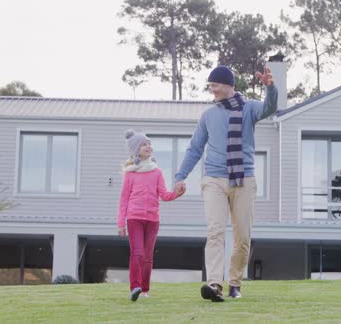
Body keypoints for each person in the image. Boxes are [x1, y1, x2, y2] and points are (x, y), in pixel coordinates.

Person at [175, 65, 277, 302]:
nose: (213, 90)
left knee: (242, 237)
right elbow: (195, 148)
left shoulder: (249, 107)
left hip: (243, 179)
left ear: (229, 84)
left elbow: (269, 108)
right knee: (215, 232)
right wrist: (181, 176)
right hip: (214, 178)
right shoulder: (208, 115)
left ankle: (234, 282)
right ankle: (214, 284)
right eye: (210, 86)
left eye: (215, 85)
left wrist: (270, 88)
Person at [118, 129, 185, 301]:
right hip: (134, 219)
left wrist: (177, 193)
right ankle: (135, 287)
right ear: (136, 150)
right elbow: (123, 200)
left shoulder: (157, 172)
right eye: (143, 144)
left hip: (153, 220)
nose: (148, 146)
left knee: (148, 256)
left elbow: (164, 195)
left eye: (149, 143)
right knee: (137, 253)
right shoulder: (130, 174)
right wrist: (121, 224)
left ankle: (145, 290)